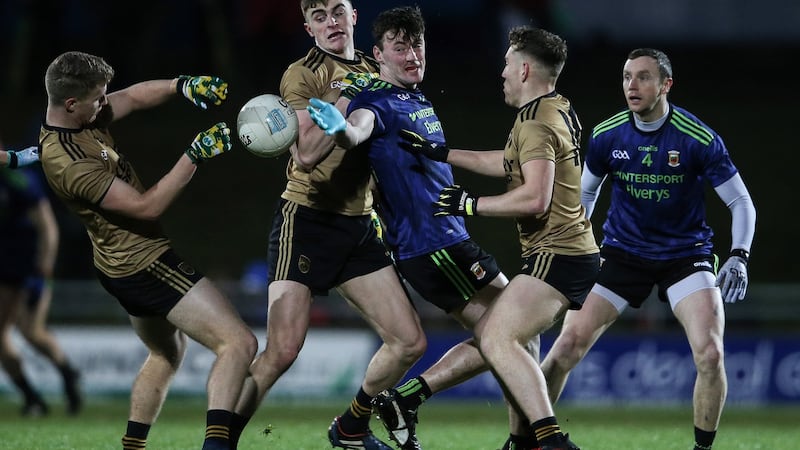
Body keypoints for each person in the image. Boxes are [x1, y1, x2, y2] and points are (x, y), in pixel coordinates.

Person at [307, 6, 538, 450]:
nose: (412, 54)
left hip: (449, 241)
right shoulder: (374, 101)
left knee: (517, 333)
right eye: (399, 47)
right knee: (512, 331)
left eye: (416, 44)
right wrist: (340, 130)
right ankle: (412, 400)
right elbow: (358, 130)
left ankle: (514, 438)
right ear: (378, 54)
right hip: (434, 247)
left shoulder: (417, 98)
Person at [230, 2, 427, 449]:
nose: (331, 23)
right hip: (307, 219)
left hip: (359, 223)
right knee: (282, 350)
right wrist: (345, 93)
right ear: (308, 27)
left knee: (409, 342)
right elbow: (305, 154)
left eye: (337, 11)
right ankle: (221, 440)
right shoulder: (303, 74)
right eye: (319, 16)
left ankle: (351, 427)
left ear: (354, 16)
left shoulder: (374, 66)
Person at [38, 51, 258, 450]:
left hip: (117, 266)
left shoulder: (80, 116)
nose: (107, 103)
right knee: (239, 343)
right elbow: (146, 207)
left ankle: (133, 446)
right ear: (72, 103)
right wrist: (195, 155)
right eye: (99, 98)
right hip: (144, 263)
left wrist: (183, 85)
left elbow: (134, 98)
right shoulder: (69, 162)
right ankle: (218, 445)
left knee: (166, 354)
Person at [540, 48, 757, 450]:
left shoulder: (698, 138)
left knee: (710, 355)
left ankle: (702, 448)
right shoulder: (608, 135)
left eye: (642, 77)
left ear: (665, 84)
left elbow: (741, 202)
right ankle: (529, 441)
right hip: (621, 253)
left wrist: (739, 255)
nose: (631, 86)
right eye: (626, 77)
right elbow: (586, 194)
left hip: (685, 256)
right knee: (565, 347)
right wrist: (574, 247)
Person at [399, 26, 597, 450]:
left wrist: (470, 205)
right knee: (514, 338)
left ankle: (549, 440)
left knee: (496, 338)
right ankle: (523, 441)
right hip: (570, 251)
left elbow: (535, 197)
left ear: (524, 69)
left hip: (557, 252)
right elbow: (508, 162)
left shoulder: (535, 122)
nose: (502, 72)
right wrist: (442, 152)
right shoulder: (557, 107)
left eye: (507, 64)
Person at [0, 165, 82, 416]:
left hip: (29, 270)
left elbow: (47, 226)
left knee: (31, 331)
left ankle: (67, 373)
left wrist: (44, 267)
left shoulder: (18, 179)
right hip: (3, 272)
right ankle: (32, 397)